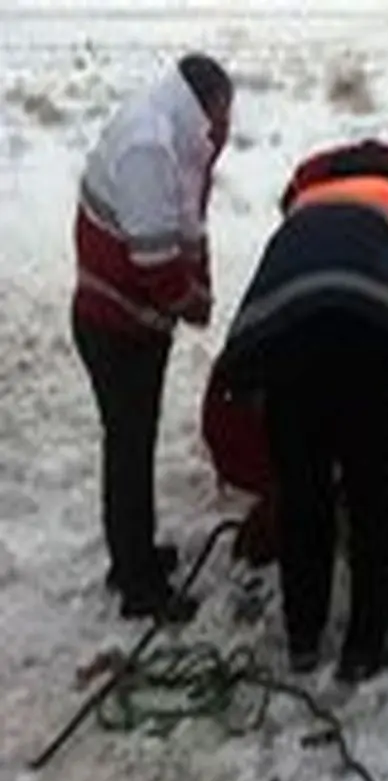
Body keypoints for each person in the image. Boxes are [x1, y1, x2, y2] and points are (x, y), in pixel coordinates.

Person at [212, 165, 388, 683]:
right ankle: (369, 642)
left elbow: (265, 291)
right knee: (373, 504)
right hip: (363, 353)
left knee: (303, 499)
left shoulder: (304, 205)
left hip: (287, 354)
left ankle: (303, 638)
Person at [73, 53, 233, 622]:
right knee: (128, 447)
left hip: (137, 325)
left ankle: (135, 554)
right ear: (207, 102)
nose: (227, 127)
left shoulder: (179, 137)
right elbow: (156, 256)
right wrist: (191, 302)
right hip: (114, 327)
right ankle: (137, 584)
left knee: (132, 445)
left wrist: (201, 282)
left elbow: (189, 224)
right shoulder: (150, 145)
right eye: (225, 113)